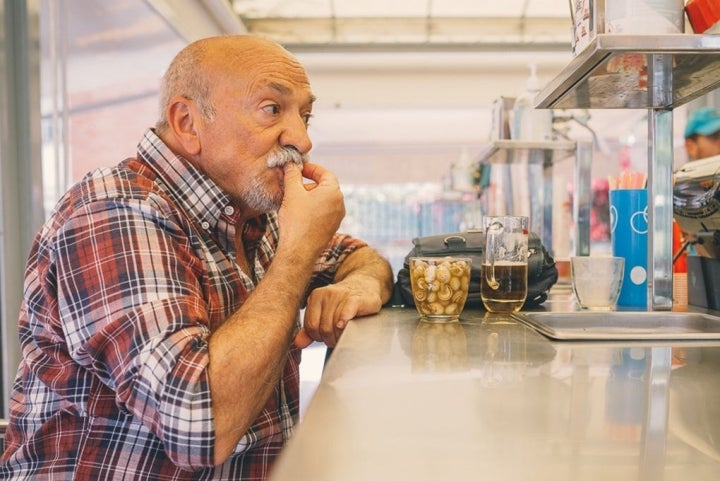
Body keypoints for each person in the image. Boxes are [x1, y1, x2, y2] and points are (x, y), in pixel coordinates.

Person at [1, 35, 394, 480]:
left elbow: (357, 257)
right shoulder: (115, 214)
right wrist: (297, 256)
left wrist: (356, 284)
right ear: (187, 122)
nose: (301, 140)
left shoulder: (247, 212)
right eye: (272, 109)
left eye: (305, 115)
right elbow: (199, 425)